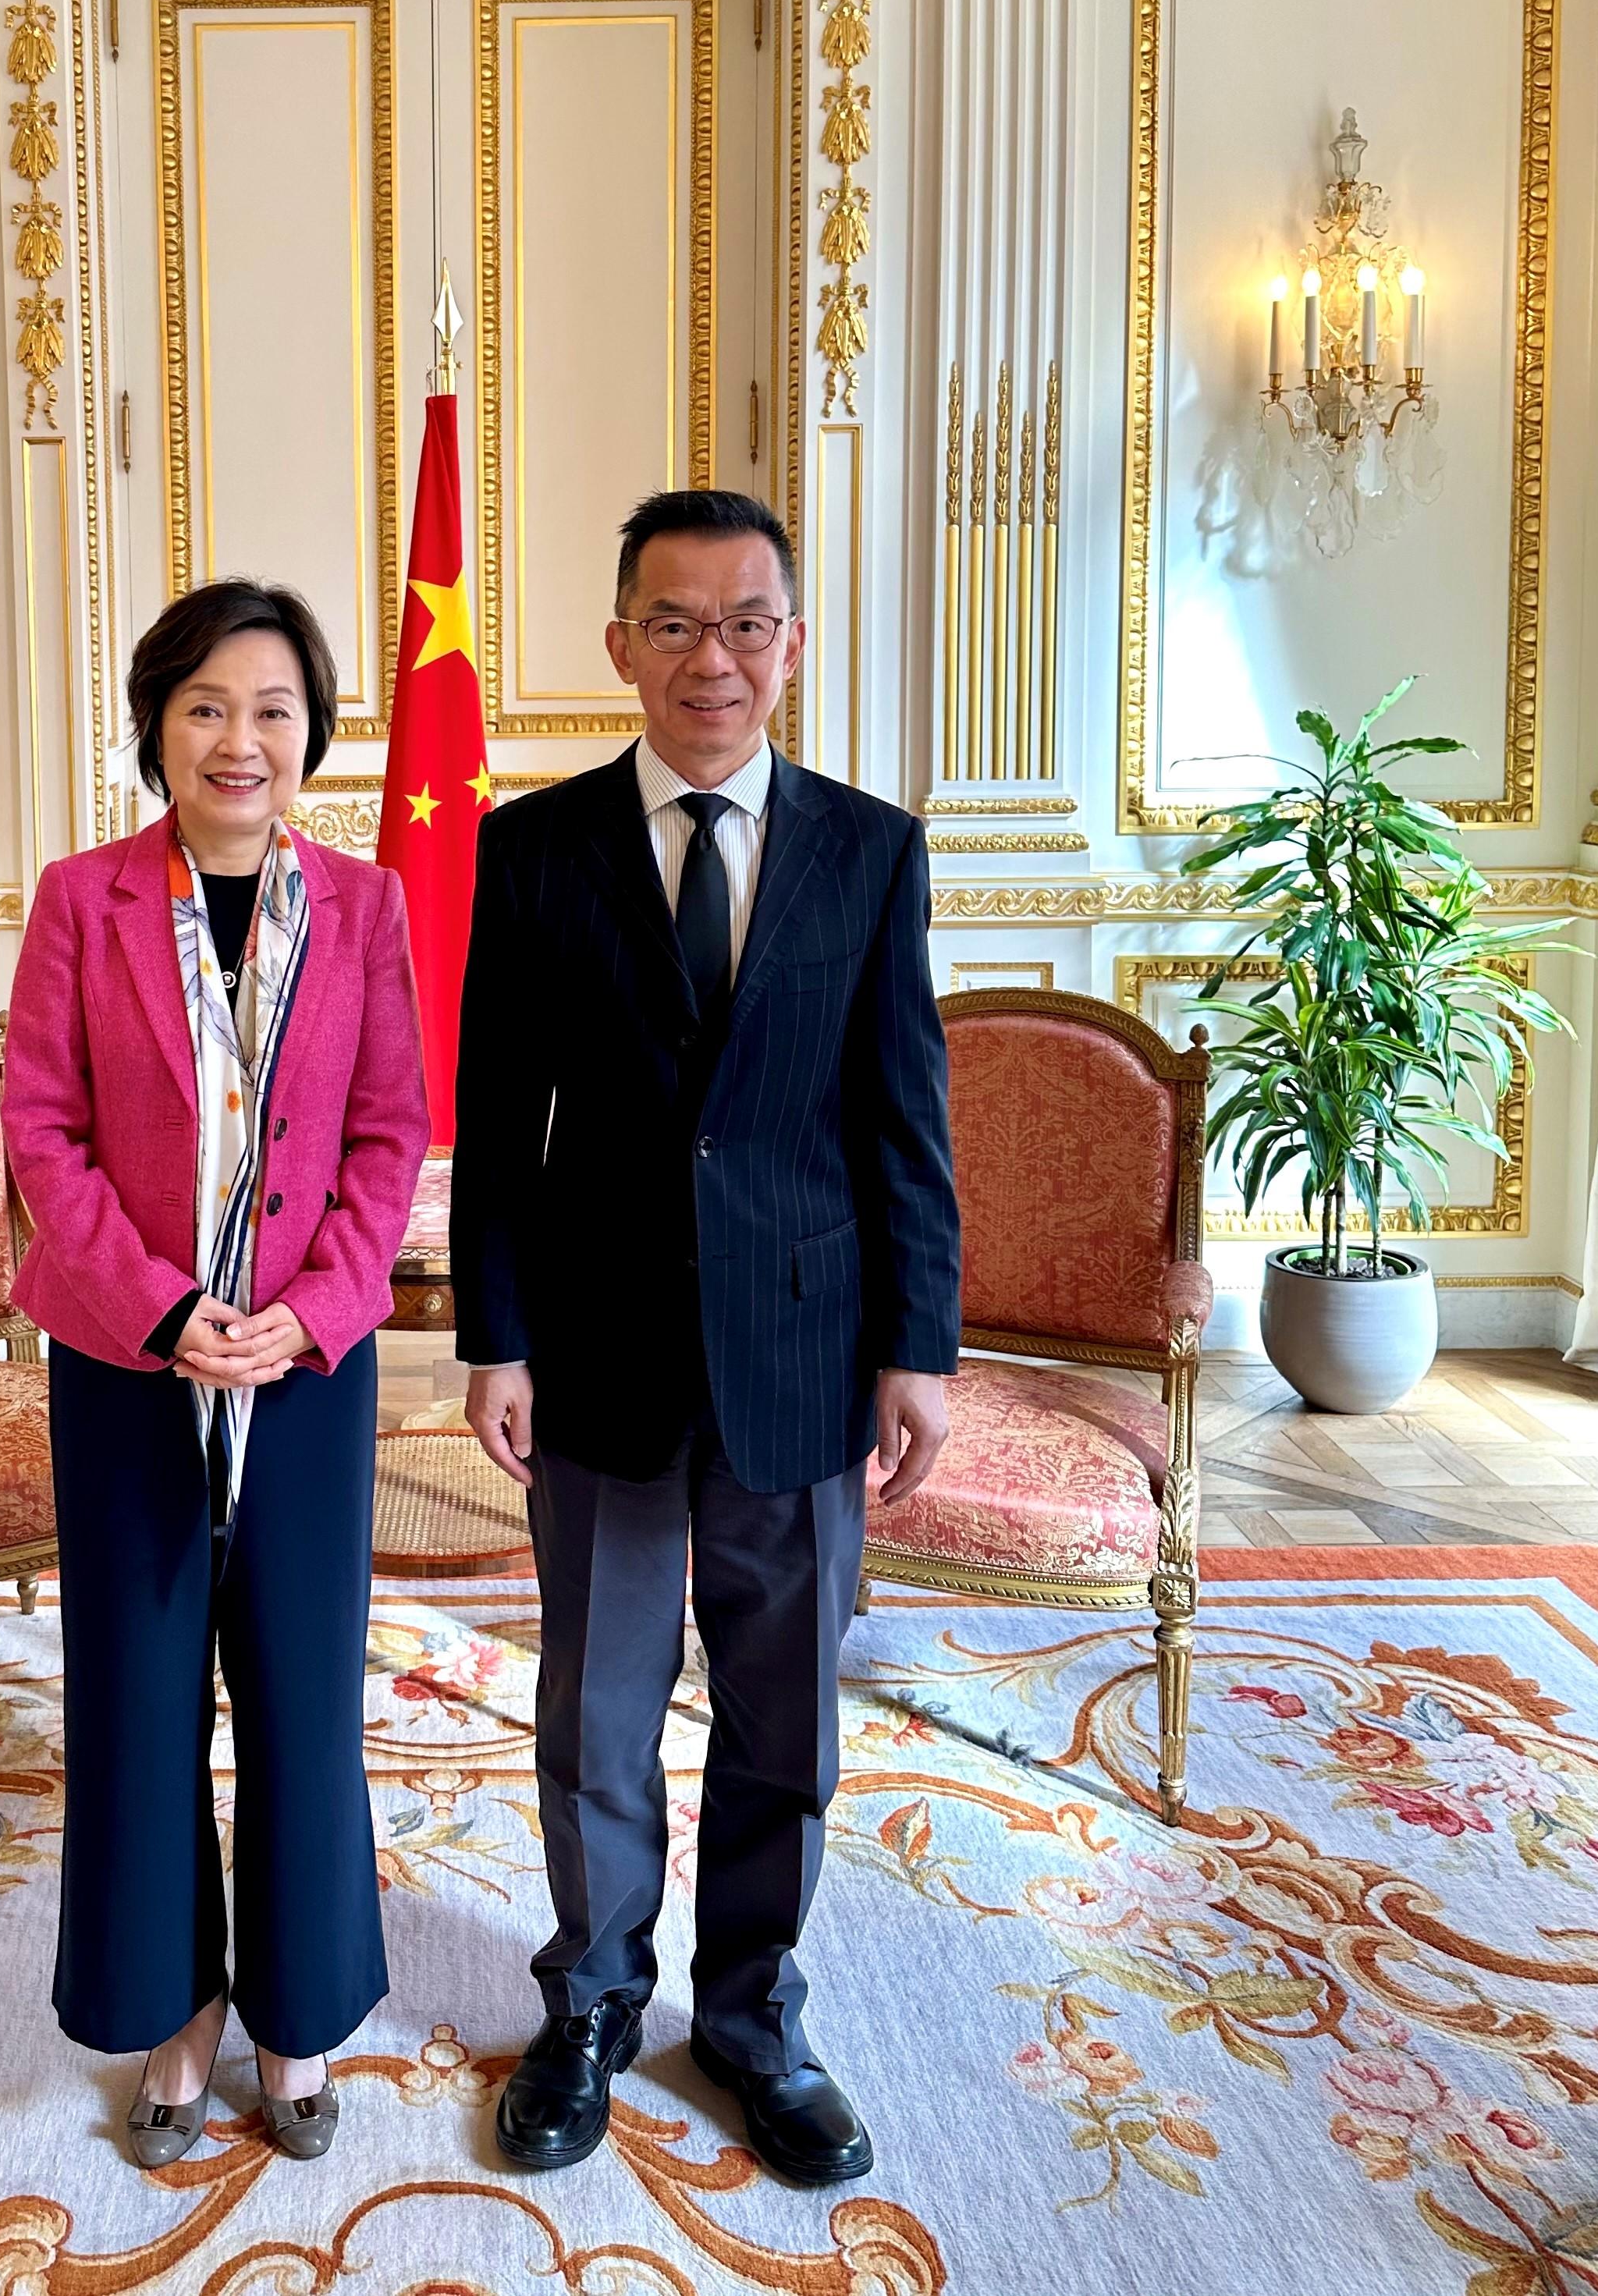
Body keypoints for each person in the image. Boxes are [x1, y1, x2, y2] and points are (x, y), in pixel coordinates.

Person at [453, 488, 959, 2189]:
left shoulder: (868, 850)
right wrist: (492, 1336)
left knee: (777, 1712)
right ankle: (592, 1997)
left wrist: (920, 1346)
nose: (711, 657)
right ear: (617, 646)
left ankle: (750, 2016)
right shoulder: (527, 851)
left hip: (803, 1358)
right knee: (595, 1704)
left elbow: (901, 1126)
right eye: (672, 622)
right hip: (593, 1350)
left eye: (747, 621)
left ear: (791, 647)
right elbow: (496, 1122)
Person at [3, 579, 429, 2166]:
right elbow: (38, 1131)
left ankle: (295, 2017)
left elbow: (390, 1135)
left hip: (305, 1370)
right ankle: (172, 2020)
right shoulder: (78, 899)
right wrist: (161, 1302)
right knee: (138, 1692)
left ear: (310, 730)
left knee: (301, 1695)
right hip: (127, 1362)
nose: (236, 738)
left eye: (267, 707)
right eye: (202, 706)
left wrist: (310, 1309)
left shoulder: (370, 908)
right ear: (155, 729)